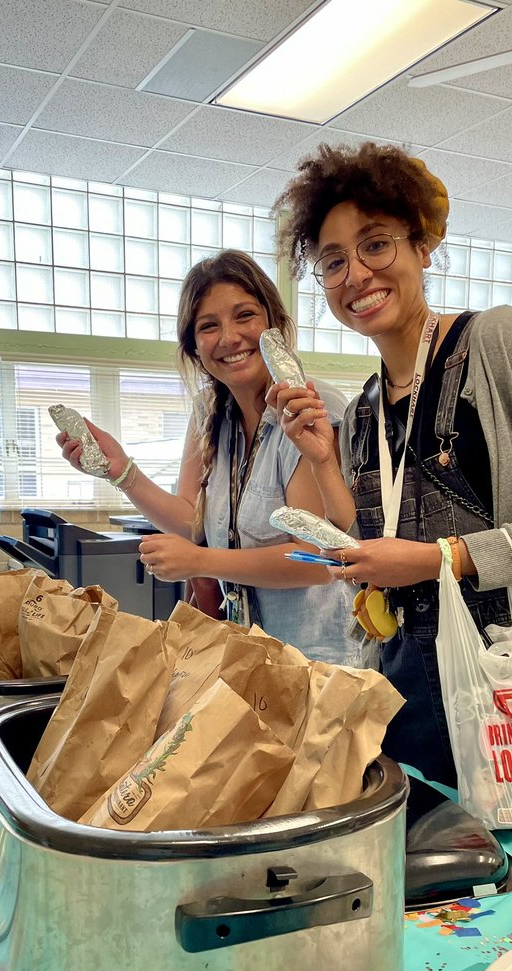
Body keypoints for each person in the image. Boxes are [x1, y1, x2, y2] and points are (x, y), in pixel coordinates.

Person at [270, 142, 512, 844]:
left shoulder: (503, 345)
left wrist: (446, 558)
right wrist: (323, 463)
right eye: (333, 261)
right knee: (452, 922)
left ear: (422, 246)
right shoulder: (366, 409)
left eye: (376, 244)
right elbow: (372, 544)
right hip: (420, 705)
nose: (357, 274)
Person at [56, 249, 359, 664]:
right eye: (209, 326)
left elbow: (314, 559)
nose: (229, 337)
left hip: (317, 663)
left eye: (245, 316)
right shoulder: (210, 413)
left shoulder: (311, 405)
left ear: (275, 325)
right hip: (246, 656)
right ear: (195, 347)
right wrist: (120, 471)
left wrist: (199, 561)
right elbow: (190, 521)